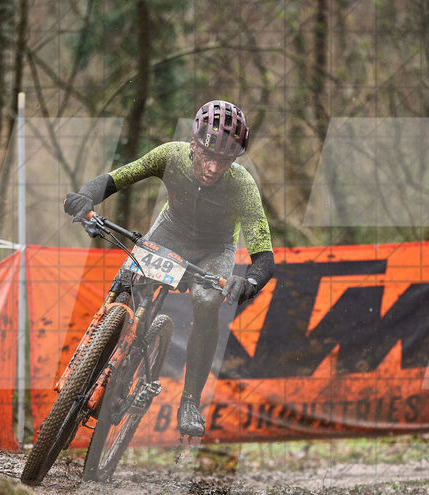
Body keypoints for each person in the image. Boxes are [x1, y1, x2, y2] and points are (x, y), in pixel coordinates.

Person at [63, 100, 275, 438]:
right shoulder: (171, 156)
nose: (212, 168)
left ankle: (190, 400)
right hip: (170, 231)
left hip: (214, 249)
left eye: (223, 161)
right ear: (193, 144)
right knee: (128, 277)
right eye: (207, 155)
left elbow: (264, 254)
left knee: (207, 303)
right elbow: (117, 179)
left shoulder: (243, 186)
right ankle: (100, 352)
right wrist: (85, 196)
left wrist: (248, 282)